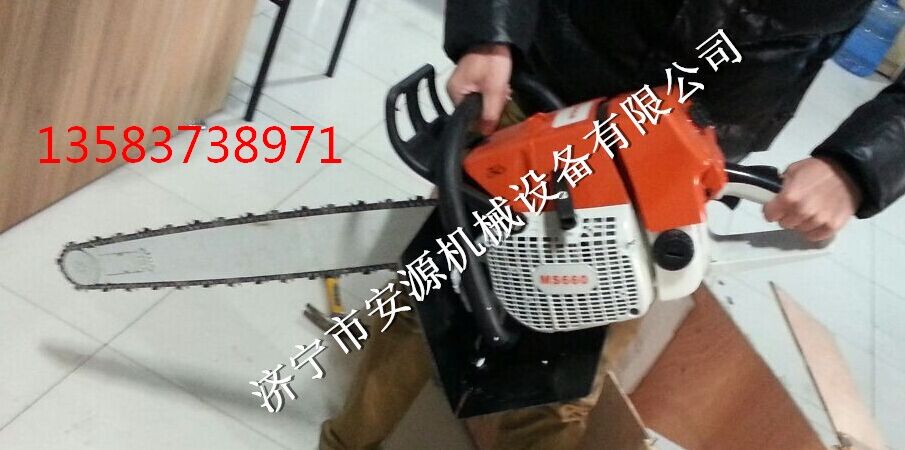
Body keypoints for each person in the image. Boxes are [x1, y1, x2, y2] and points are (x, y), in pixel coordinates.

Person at [320, 1, 905, 448]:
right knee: (426, 304)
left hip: (679, 154)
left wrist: (859, 165)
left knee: (563, 375)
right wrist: (491, 30)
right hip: (549, 88)